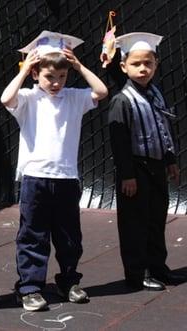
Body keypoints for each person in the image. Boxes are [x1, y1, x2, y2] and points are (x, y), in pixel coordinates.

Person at [0, 31, 108, 311]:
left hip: (66, 178)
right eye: (50, 77)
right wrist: (24, 70)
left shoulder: (73, 98)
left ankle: (68, 280)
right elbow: (5, 98)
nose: (56, 83)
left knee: (69, 235)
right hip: (35, 178)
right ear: (36, 74)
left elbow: (102, 92)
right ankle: (30, 287)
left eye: (61, 76)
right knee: (33, 234)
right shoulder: (28, 99)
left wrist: (79, 66)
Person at [108, 32, 187, 291]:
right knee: (134, 222)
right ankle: (136, 272)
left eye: (148, 63)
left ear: (156, 64)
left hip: (156, 166)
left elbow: (164, 127)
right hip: (135, 169)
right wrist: (127, 174)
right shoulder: (122, 100)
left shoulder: (155, 93)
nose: (143, 69)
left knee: (156, 219)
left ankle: (158, 267)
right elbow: (119, 142)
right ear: (124, 66)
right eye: (136, 64)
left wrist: (170, 160)